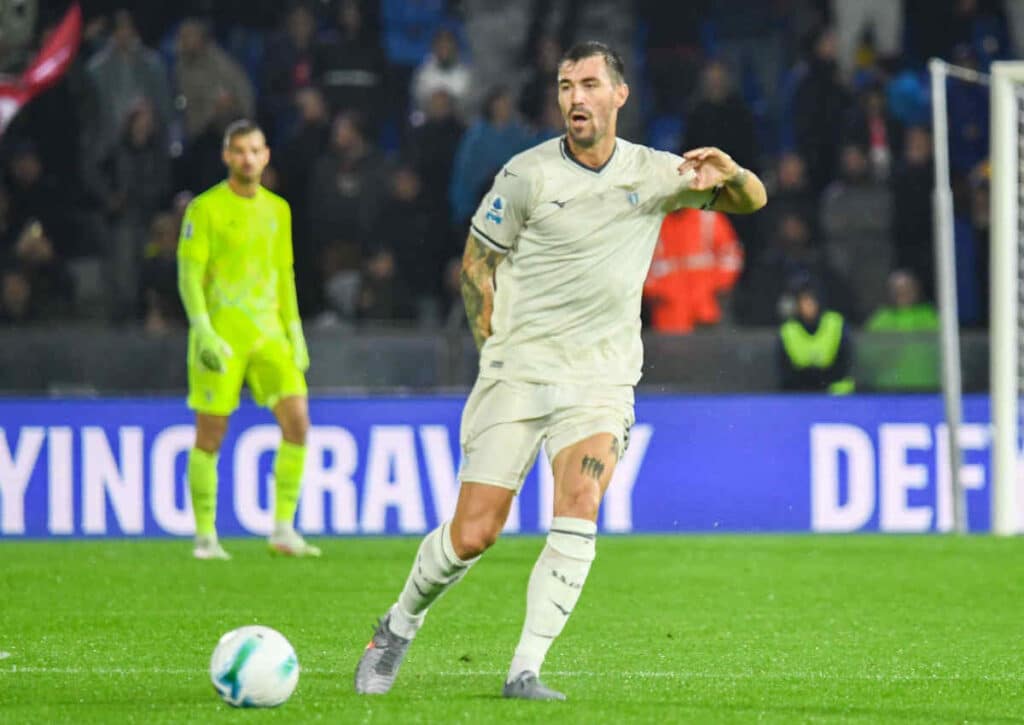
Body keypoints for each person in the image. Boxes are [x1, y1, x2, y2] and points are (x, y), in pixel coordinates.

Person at [354, 41, 766, 701]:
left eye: (589, 83)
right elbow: (476, 263)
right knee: (473, 532)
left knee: (579, 500)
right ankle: (399, 623)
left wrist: (733, 170)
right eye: (565, 85)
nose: (575, 97)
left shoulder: (657, 172)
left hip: (600, 379)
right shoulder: (526, 176)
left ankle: (524, 668)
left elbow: (752, 201)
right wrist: (493, 343)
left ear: (619, 95)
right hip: (518, 373)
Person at [177, 119, 319, 560]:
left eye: (255, 150)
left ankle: (282, 529)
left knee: (298, 424)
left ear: (266, 154)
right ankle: (205, 537)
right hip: (220, 337)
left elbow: (284, 274)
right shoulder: (204, 209)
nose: (247, 158)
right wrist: (201, 329)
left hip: (269, 335)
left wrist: (295, 330)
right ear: (226, 156)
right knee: (211, 434)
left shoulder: (278, 210)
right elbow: (189, 275)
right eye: (239, 150)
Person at [778, 279, 855, 394]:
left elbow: (845, 363)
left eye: (811, 300)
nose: (808, 306)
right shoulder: (788, 330)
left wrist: (823, 378)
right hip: (800, 395)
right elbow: (784, 371)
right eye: (804, 300)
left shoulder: (835, 323)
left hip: (835, 396)